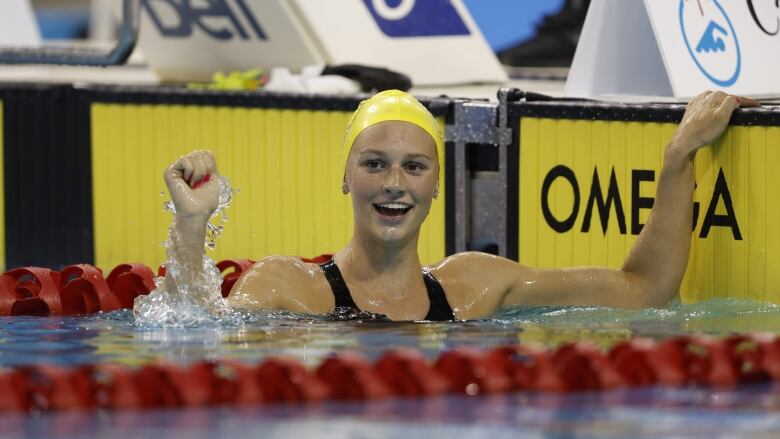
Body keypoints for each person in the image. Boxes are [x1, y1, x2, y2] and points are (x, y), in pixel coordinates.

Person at [162, 90, 758, 321]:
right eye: (374, 164)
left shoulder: (476, 285)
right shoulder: (288, 289)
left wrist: (679, 158)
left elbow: (645, 290)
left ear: (435, 186)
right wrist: (192, 229)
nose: (394, 183)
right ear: (346, 179)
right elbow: (196, 336)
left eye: (414, 167)